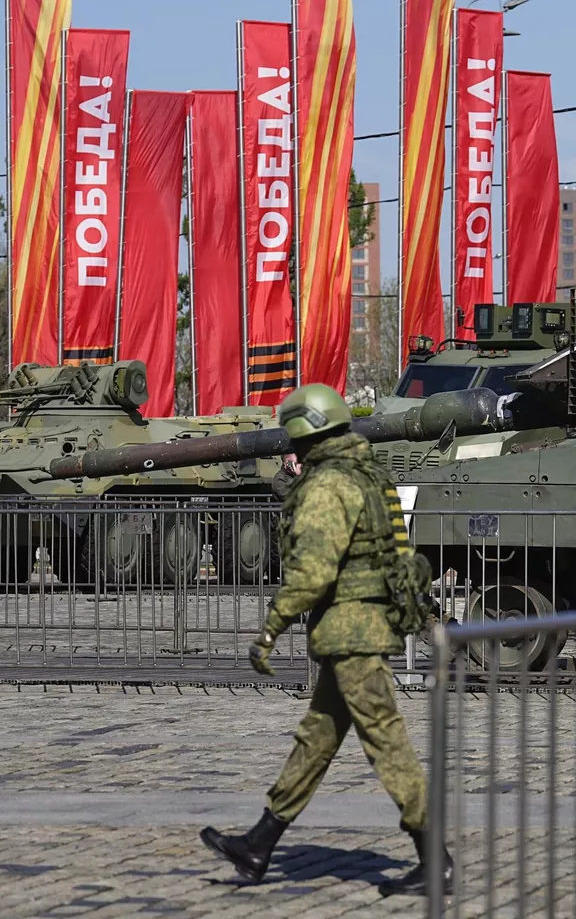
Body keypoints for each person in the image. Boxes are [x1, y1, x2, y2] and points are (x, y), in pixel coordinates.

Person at [199, 383, 450, 896]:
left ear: (307, 436)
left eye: (293, 439)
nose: (291, 450)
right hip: (358, 629)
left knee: (387, 743)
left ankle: (436, 857)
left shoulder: (327, 485)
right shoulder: (368, 473)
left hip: (351, 632)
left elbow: (312, 571)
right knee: (316, 739)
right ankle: (260, 843)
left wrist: (272, 626)